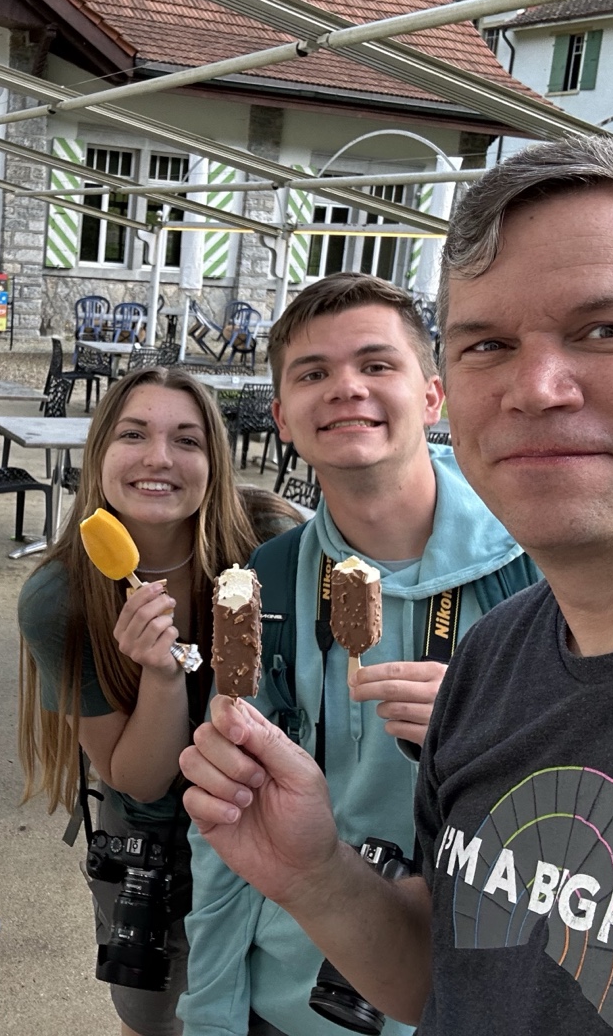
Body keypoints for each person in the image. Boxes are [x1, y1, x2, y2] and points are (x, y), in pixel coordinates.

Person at [181, 137, 613, 1033]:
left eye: (607, 329)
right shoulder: (494, 661)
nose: (537, 388)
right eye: (489, 344)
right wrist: (317, 873)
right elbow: (449, 976)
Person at [180, 273, 538, 1036]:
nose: (346, 388)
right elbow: (226, 821)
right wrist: (210, 1014)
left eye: (377, 364)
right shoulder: (268, 584)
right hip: (292, 999)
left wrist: (500, 729)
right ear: (282, 417)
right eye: (313, 373)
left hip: (492, 993)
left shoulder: (542, 567)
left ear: (433, 397)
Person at [17, 366, 260, 1036]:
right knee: (153, 1022)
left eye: (187, 440)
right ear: (100, 454)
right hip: (153, 845)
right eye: (133, 435)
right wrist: (160, 676)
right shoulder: (61, 598)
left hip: (265, 821)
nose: (159, 458)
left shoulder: (267, 544)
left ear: (215, 462)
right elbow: (138, 779)